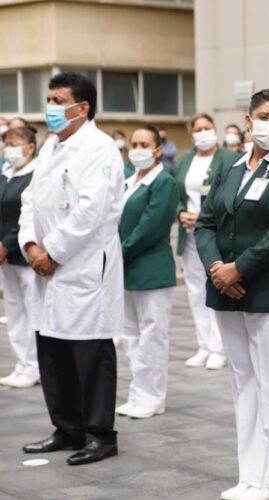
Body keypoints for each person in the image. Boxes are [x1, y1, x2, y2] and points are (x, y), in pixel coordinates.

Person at [195, 88, 269, 500]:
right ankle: (250, 473)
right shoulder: (230, 166)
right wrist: (216, 270)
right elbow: (206, 223)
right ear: (249, 120)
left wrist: (238, 268)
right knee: (243, 381)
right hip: (226, 290)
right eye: (265, 115)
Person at [18, 72, 124, 465]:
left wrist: (53, 252)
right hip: (46, 264)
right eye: (49, 99)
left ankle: (100, 435)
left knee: (90, 352)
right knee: (52, 349)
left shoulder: (100, 148)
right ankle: (67, 428)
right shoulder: (50, 147)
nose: (51, 108)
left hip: (82, 265)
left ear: (82, 107)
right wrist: (30, 244)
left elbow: (90, 211)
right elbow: (30, 198)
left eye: (58, 100)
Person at [116, 125, 180, 420]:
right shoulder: (129, 180)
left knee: (152, 335)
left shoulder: (163, 182)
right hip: (126, 268)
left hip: (150, 268)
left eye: (145, 144)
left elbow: (150, 226)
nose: (138, 149)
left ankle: (153, 396)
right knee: (130, 335)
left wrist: (120, 252)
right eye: (135, 143)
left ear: (157, 150)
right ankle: (137, 392)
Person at [175, 113, 237, 370]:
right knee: (195, 291)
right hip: (189, 235)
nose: (203, 132)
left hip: (214, 233)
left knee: (216, 286)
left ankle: (219, 347)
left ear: (215, 130)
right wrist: (180, 213)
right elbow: (177, 193)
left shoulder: (228, 159)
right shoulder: (184, 161)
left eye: (207, 128)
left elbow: (230, 195)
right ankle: (203, 345)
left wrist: (205, 216)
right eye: (198, 129)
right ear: (191, 134)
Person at [0, 125, 40, 389]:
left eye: (15, 143)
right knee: (14, 312)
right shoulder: (5, 174)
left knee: (32, 312)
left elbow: (29, 215)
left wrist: (6, 245)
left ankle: (35, 366)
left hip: (23, 253)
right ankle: (22, 363)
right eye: (6, 144)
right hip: (5, 257)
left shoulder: (34, 174)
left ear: (30, 147)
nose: (9, 149)